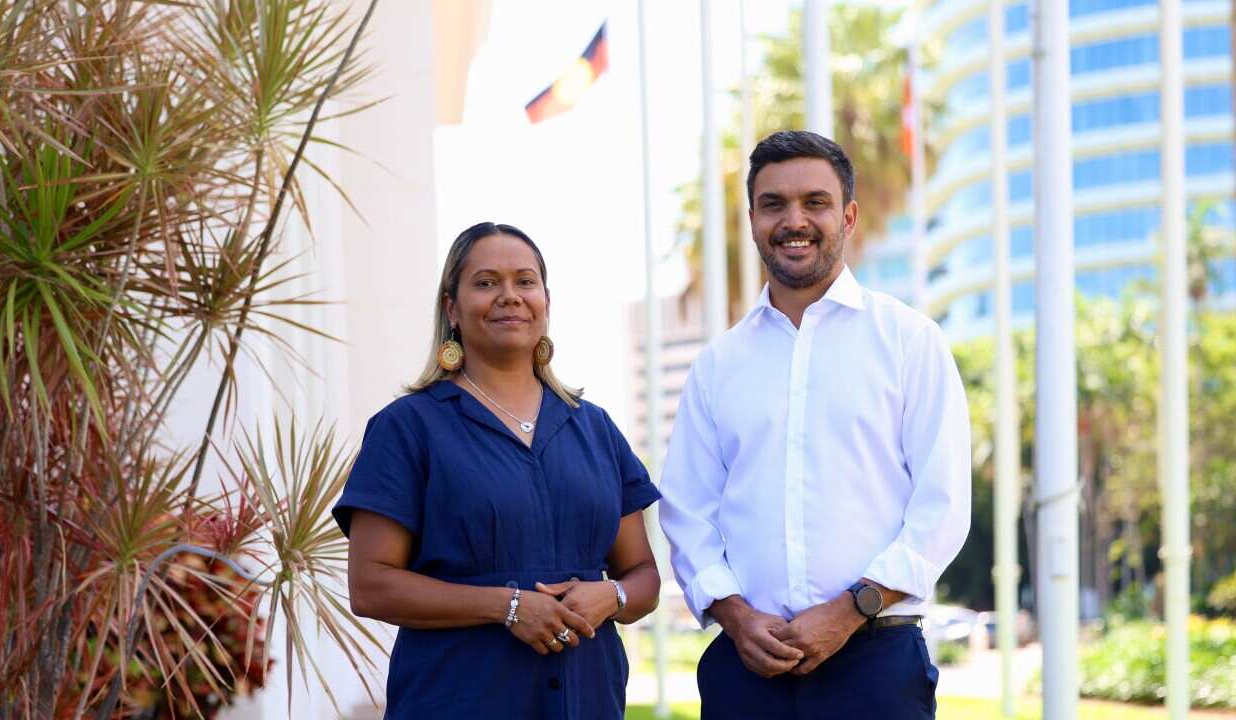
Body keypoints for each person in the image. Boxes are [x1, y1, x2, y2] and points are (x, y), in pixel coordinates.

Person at [659, 130, 971, 719]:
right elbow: (687, 511)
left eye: (815, 203)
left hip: (876, 666)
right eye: (773, 204)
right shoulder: (717, 366)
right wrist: (735, 614)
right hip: (745, 668)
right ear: (752, 219)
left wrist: (850, 611)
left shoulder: (908, 342)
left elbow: (942, 507)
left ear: (848, 216)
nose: (793, 220)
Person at [334, 222, 661, 719]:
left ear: (546, 302)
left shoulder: (593, 429)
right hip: (459, 698)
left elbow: (644, 578)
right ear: (452, 308)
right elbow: (371, 585)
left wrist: (610, 596)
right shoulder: (407, 428)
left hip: (588, 699)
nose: (510, 296)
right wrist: (506, 606)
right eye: (486, 283)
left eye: (524, 281)